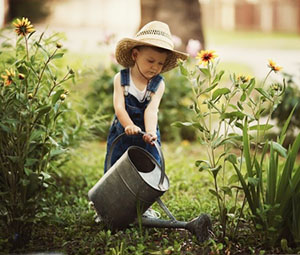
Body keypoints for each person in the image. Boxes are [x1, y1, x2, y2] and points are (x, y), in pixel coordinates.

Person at [104, 20, 188, 175]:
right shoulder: (121, 79)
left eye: (160, 63)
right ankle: (113, 191)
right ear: (135, 55)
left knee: (150, 165)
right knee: (116, 165)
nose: (155, 67)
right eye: (150, 61)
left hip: (146, 133)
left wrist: (149, 132)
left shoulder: (158, 84)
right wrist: (128, 125)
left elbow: (151, 110)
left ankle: (144, 193)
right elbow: (119, 107)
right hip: (123, 132)